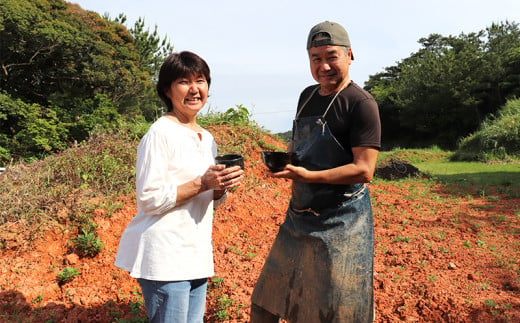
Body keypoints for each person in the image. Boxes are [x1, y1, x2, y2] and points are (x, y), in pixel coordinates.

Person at [251, 21, 381, 323]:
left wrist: (309, 177)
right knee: (266, 301)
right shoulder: (307, 96)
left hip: (342, 220)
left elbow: (364, 170)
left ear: (349, 55)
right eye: (315, 58)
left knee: (336, 309)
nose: (324, 66)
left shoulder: (361, 104)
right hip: (299, 215)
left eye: (331, 56)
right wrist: (287, 164)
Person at [114, 51, 244, 323]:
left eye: (201, 80)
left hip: (195, 255)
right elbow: (149, 199)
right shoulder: (160, 134)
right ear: (167, 89)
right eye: (184, 82)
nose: (195, 89)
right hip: (165, 258)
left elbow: (210, 199)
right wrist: (202, 183)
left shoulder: (207, 138)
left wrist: (220, 188)